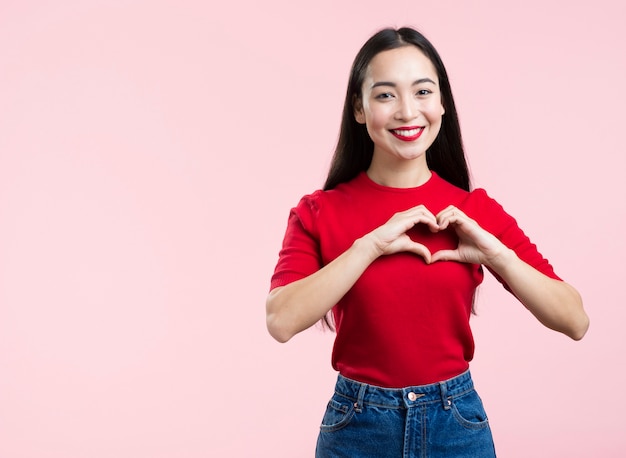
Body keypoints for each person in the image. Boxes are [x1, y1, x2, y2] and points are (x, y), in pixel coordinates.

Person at [266, 26, 589, 458]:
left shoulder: (474, 211)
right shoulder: (318, 212)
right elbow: (281, 321)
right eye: (385, 95)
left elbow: (575, 320)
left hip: (455, 425)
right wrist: (369, 246)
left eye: (422, 91)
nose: (407, 111)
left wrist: (497, 255)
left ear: (442, 104)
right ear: (359, 109)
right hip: (357, 427)